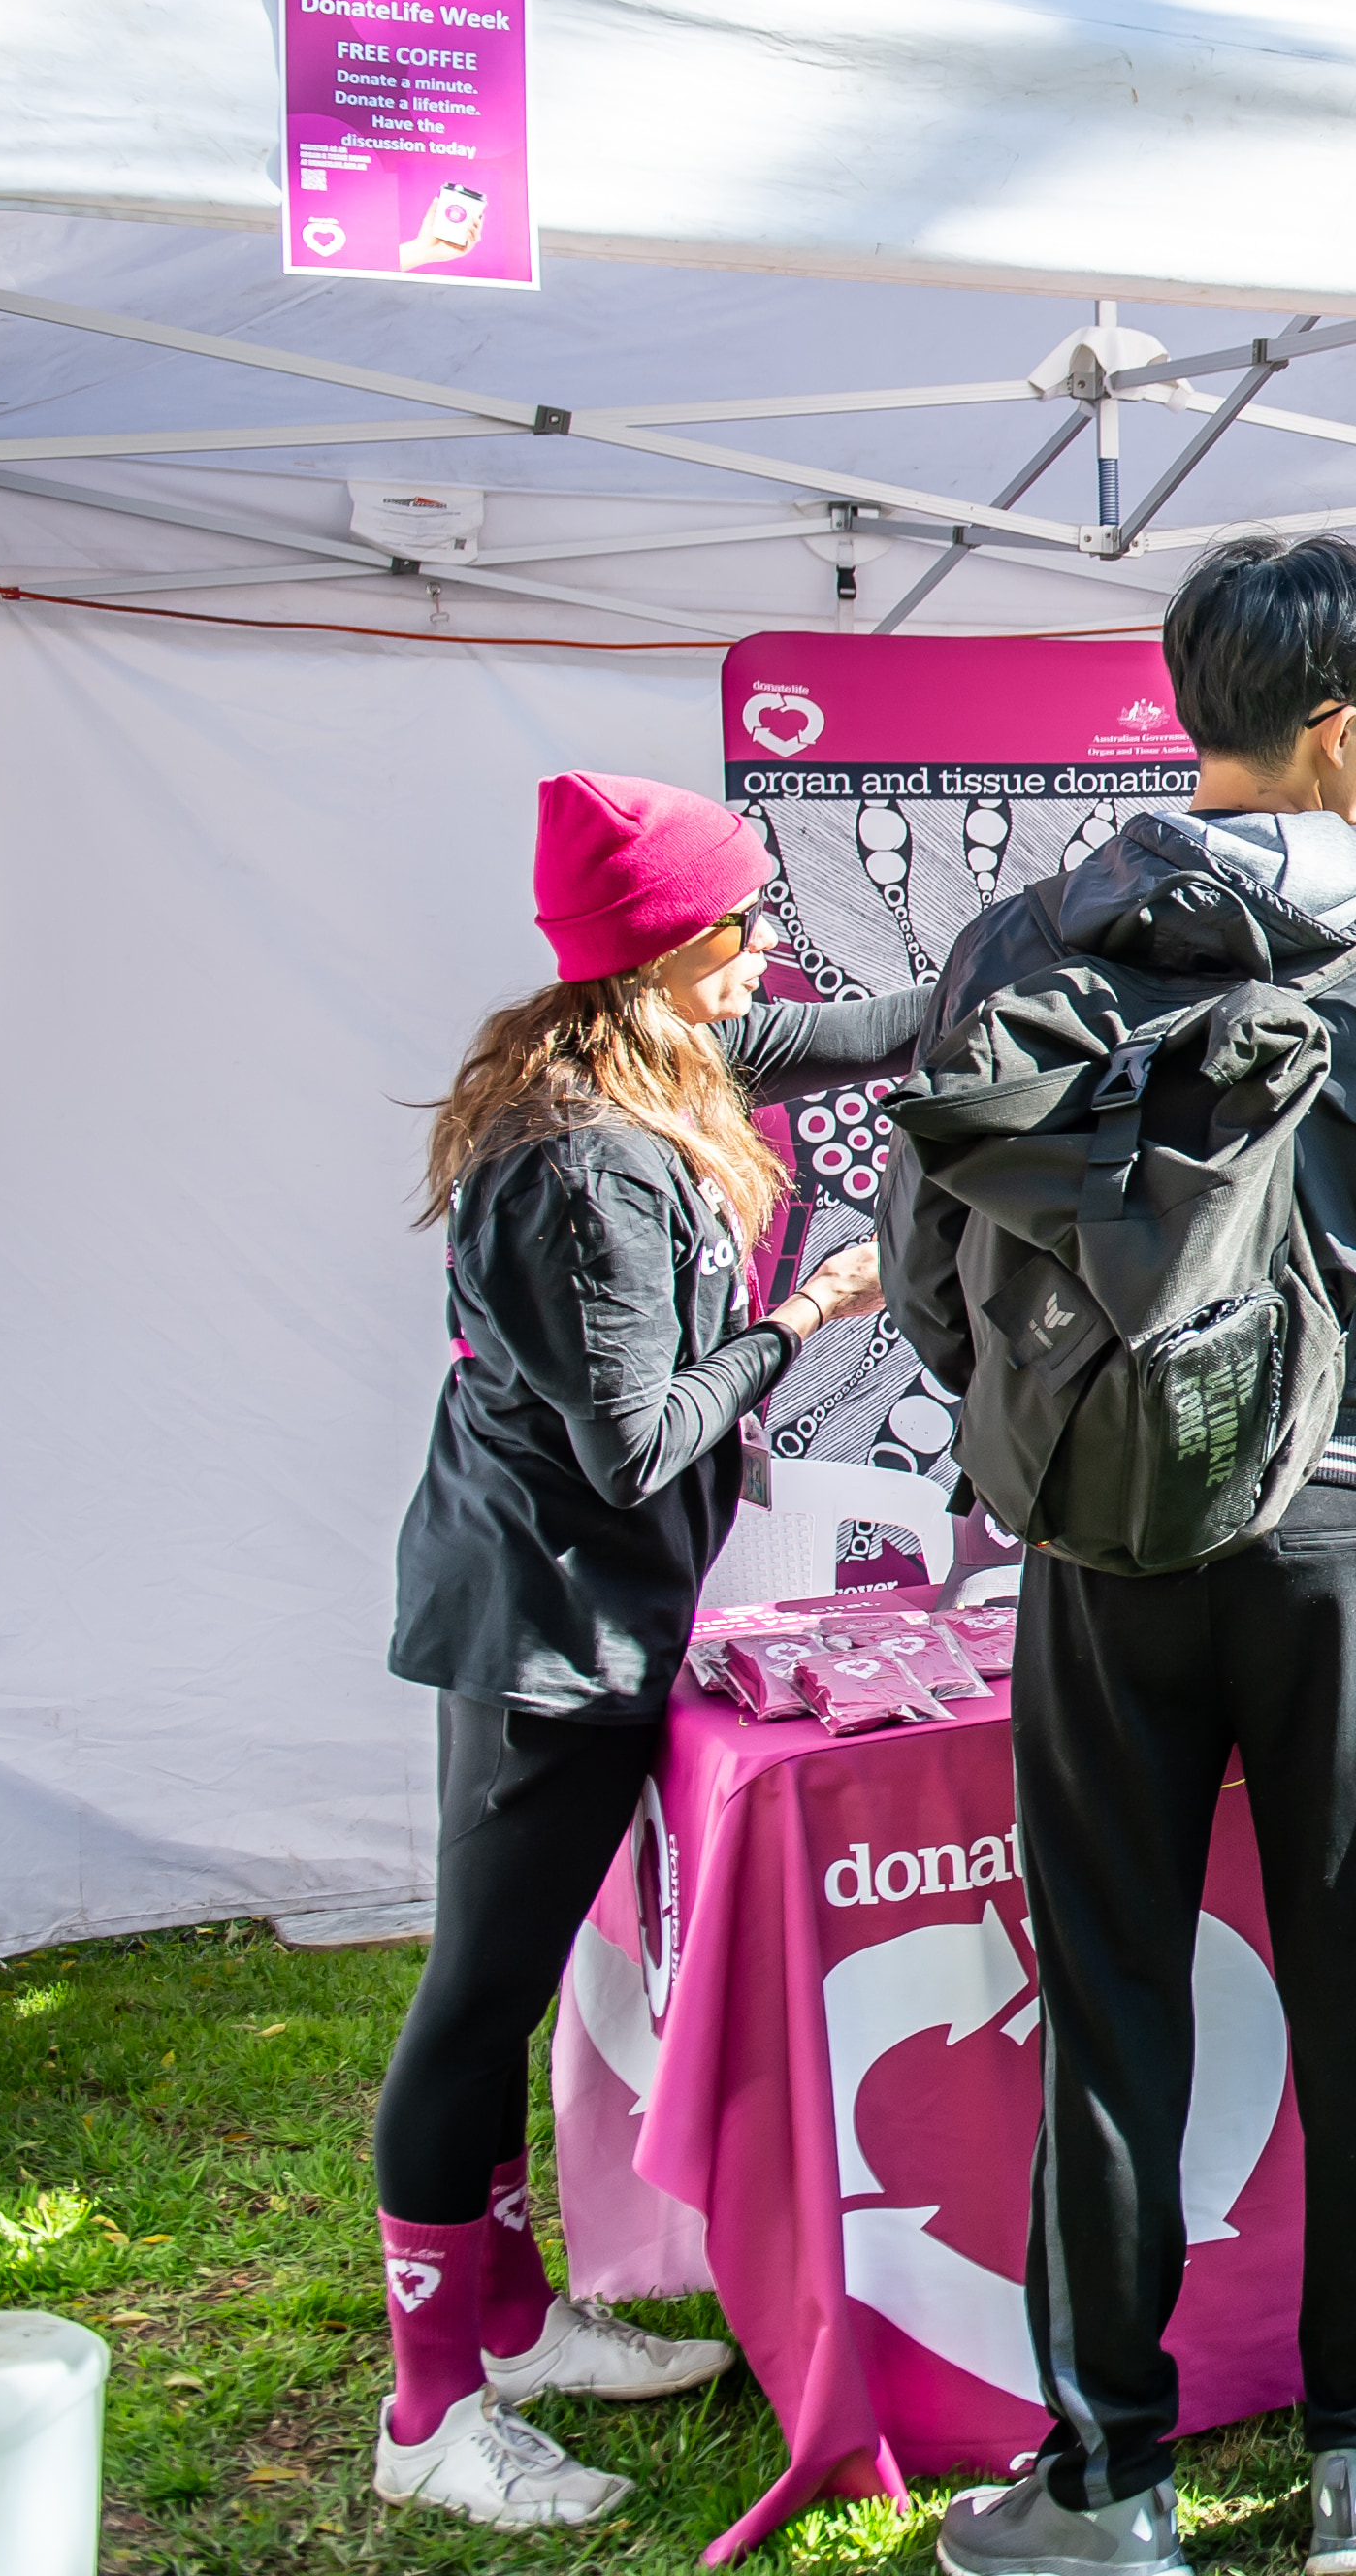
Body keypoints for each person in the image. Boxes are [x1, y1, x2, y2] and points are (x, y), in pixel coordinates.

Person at [906, 536, 1356, 2576]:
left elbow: (937, 1267)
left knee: (1107, 2000)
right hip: (1343, 1528)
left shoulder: (1025, 937)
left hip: (1100, 1530)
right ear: (1338, 727)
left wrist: (1077, 1428)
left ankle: (1107, 2477)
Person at [372, 772, 920, 2530]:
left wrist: (1058, 942)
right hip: (544, 1625)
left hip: (593, 1609)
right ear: (682, 950)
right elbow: (637, 1442)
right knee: (473, 2006)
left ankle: (519, 2324)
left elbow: (866, 1030)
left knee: (510, 1986)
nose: (769, 953)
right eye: (747, 924)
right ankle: (429, 2406)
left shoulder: (647, 1067)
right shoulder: (589, 1166)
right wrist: (799, 1320)